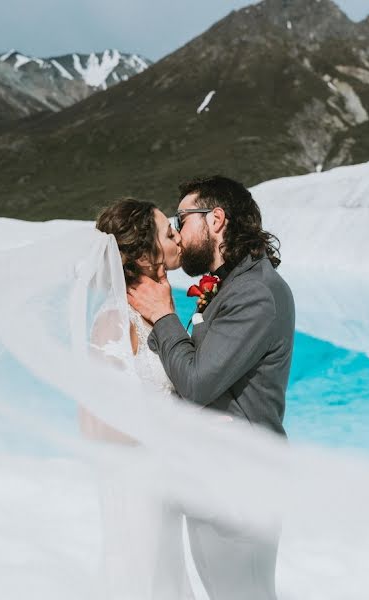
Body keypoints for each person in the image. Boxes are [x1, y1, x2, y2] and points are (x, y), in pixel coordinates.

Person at [128, 176, 295, 600]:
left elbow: (199, 382)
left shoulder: (255, 292)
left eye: (183, 219)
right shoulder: (232, 283)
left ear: (216, 219)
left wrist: (164, 315)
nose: (178, 235)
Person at [85, 198, 196, 600]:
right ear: (147, 254)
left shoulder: (153, 312)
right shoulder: (115, 319)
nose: (178, 237)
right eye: (169, 232)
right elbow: (94, 423)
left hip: (164, 481)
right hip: (138, 484)